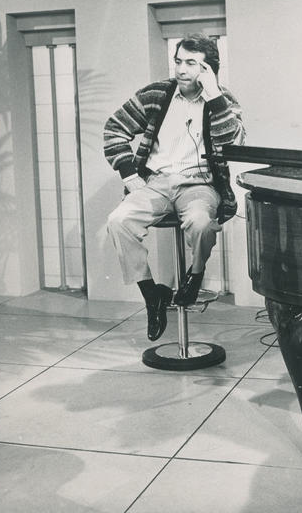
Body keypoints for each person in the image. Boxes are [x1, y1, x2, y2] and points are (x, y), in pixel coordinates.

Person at [104, 33, 245, 342]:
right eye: (178, 61)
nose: (181, 69)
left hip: (200, 185)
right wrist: (129, 174)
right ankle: (151, 294)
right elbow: (114, 128)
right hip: (156, 183)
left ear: (208, 68)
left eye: (191, 63)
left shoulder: (223, 100)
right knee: (118, 221)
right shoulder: (156, 94)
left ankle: (195, 275)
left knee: (201, 222)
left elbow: (232, 143)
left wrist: (214, 95)